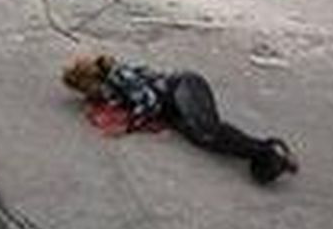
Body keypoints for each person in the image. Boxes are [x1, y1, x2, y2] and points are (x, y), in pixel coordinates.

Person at [61, 54, 299, 185]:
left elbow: (149, 101)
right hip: (173, 102)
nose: (88, 96)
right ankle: (260, 152)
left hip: (182, 88)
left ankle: (267, 150)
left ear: (91, 81)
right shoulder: (111, 84)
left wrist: (128, 126)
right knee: (202, 139)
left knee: (208, 131)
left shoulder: (118, 76)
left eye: (85, 90)